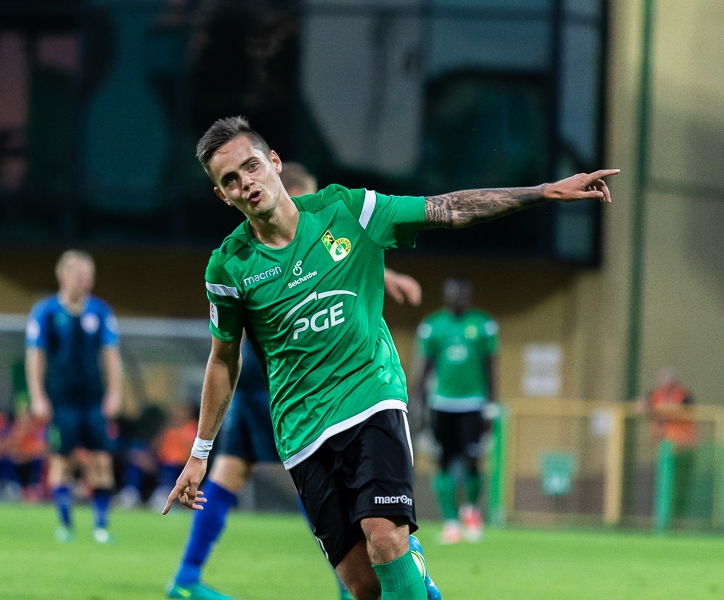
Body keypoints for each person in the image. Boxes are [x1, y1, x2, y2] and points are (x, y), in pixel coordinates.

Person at [164, 116, 616, 600]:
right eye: (231, 180)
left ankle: (404, 555)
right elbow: (223, 359)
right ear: (222, 195)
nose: (246, 183)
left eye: (251, 166)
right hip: (301, 432)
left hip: (371, 400)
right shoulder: (228, 267)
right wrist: (199, 453)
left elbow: (446, 209)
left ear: (273, 162)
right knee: (363, 586)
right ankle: (414, 572)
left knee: (384, 538)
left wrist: (544, 191)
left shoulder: (347, 209)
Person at [166, 161, 423, 600]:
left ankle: (187, 577)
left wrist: (384, 272)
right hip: (291, 385)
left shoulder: (284, 241)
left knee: (233, 471)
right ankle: (357, 583)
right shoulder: (257, 247)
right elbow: (307, 270)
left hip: (265, 386)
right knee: (327, 481)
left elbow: (326, 263)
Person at [26, 250, 124, 543]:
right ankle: (65, 525)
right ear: (63, 275)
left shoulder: (100, 311)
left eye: (89, 276)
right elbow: (36, 355)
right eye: (81, 275)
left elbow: (111, 355)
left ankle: (101, 526)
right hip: (62, 400)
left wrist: (115, 393)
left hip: (93, 399)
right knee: (61, 460)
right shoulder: (45, 312)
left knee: (101, 460)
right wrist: (37, 396)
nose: (87, 282)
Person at [410, 277, 498, 544]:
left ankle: (470, 512)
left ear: (469, 295)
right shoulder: (433, 325)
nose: (458, 297)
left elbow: (491, 366)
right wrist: (418, 403)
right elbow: (425, 367)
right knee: (442, 461)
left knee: (473, 459)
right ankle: (450, 523)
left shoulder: (483, 324)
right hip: (441, 403)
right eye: (453, 293)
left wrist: (491, 405)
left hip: (473, 403)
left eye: (462, 293)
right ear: (445, 295)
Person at [637, 368, 697, 517]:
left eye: (667, 380)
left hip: (683, 447)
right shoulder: (656, 395)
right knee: (663, 486)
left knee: (680, 486)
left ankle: (678, 516)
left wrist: (656, 410)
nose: (663, 383)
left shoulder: (683, 394)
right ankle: (664, 518)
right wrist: (647, 407)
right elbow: (640, 406)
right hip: (665, 447)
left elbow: (682, 408)